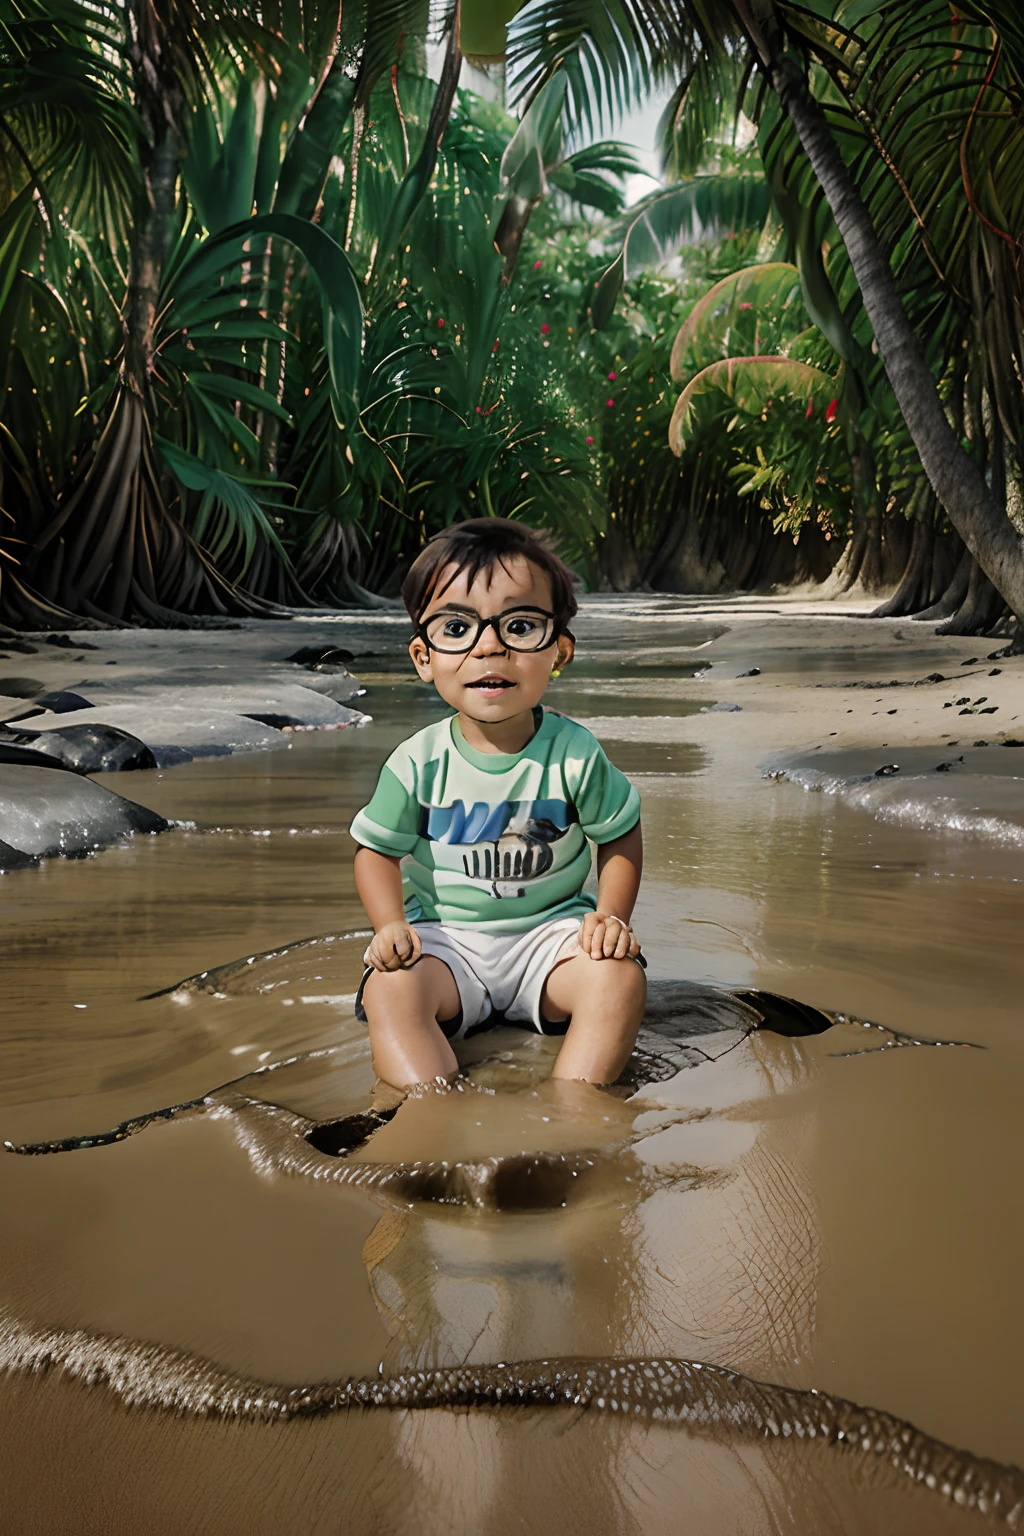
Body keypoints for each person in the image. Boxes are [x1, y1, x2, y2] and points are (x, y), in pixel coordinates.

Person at [350, 518, 645, 1089]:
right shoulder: (415, 763)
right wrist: (389, 926)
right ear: (423, 656)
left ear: (559, 651)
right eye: (456, 627)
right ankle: (430, 1110)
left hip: (551, 937)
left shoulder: (575, 755)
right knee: (390, 989)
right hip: (445, 938)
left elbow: (619, 834)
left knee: (620, 979)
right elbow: (374, 852)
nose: (489, 646)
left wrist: (610, 919)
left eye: (519, 626)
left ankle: (576, 1108)